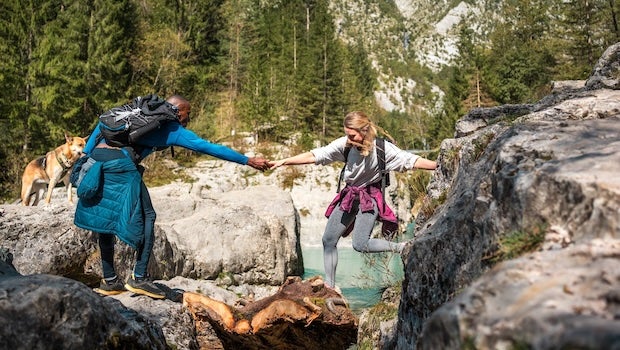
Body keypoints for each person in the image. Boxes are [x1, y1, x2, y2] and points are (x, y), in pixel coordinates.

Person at [74, 95, 270, 299]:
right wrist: (247, 160)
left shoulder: (134, 114)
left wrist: (86, 158)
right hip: (120, 166)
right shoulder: (171, 128)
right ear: (177, 110)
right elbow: (208, 147)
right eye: (188, 112)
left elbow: (100, 125)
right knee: (147, 216)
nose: (189, 117)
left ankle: (110, 281)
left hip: (98, 161)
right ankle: (139, 278)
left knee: (105, 220)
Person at [269, 111, 437, 291]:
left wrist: (437, 165)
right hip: (350, 196)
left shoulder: (383, 149)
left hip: (369, 197)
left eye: (352, 135)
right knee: (328, 239)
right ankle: (330, 286)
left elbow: (411, 160)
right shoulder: (345, 145)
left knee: (360, 244)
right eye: (347, 134)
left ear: (364, 130)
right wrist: (284, 161)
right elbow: (315, 155)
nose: (349, 139)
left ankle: (402, 247)